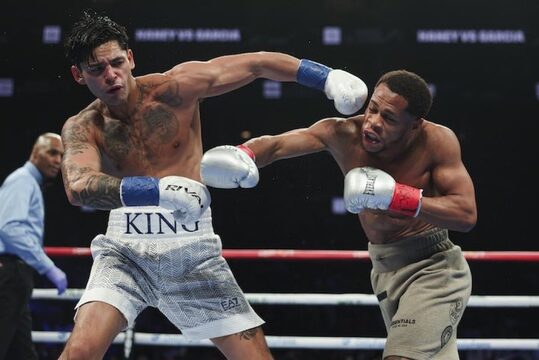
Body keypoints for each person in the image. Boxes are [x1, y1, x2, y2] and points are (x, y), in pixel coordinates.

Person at [59, 9, 367, 360]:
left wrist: (326, 78)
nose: (111, 76)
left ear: (130, 58)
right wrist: (158, 191)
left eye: (116, 62)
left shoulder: (175, 88)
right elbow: (78, 185)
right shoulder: (84, 126)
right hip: (124, 252)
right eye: (97, 70)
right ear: (79, 75)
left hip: (192, 250)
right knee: (80, 351)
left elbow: (256, 63)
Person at [201, 69, 477, 359]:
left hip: (434, 269)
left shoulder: (437, 142)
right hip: (384, 270)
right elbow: (279, 144)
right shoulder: (345, 134)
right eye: (373, 108)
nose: (374, 123)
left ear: (414, 126)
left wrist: (397, 197)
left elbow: (466, 214)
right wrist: (244, 154)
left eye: (389, 118)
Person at [0, 133, 68, 360]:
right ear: (35, 153)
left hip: (16, 275)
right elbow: (9, 229)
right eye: (52, 152)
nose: (58, 160)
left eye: (61, 155)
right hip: (10, 273)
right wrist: (47, 267)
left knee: (22, 352)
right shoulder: (22, 180)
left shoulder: (28, 183)